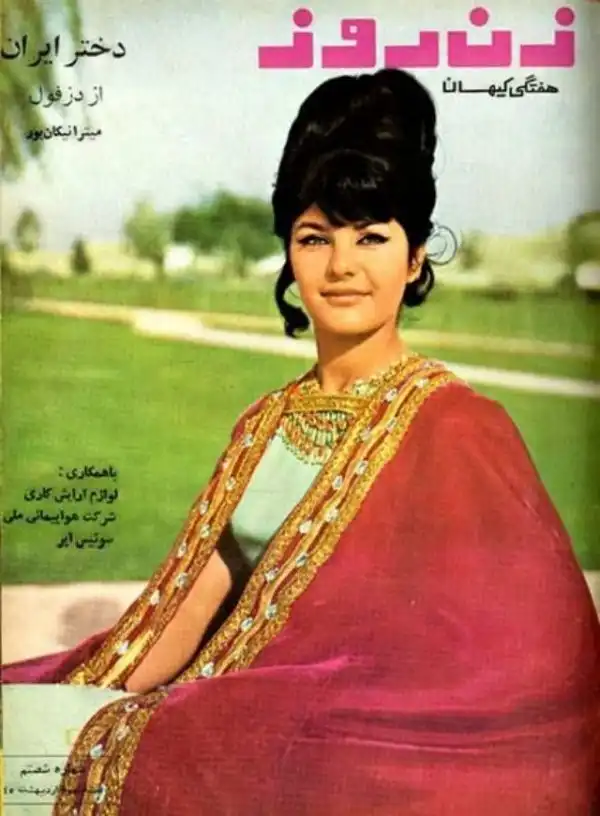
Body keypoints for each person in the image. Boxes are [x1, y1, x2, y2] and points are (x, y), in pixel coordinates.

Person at [3, 68, 599, 815]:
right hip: (238, 725)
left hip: (370, 757)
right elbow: (188, 609)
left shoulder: (463, 429)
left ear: (415, 257)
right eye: (315, 238)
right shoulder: (268, 423)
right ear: (289, 252)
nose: (342, 266)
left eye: (372, 237)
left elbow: (524, 661)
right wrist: (101, 704)